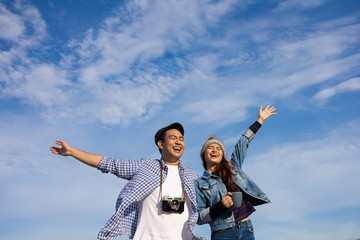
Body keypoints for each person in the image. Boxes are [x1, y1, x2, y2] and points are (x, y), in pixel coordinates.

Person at [50, 122, 204, 240]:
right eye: (173, 138)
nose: (178, 141)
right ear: (161, 144)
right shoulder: (146, 165)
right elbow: (110, 164)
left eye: (181, 139)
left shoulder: (191, 175)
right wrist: (72, 152)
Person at [194, 105, 277, 240]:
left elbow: (243, 143)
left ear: (222, 154)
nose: (215, 150)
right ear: (204, 154)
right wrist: (220, 207)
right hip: (222, 233)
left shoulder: (233, 168)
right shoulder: (199, 183)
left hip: (246, 227)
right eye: (210, 148)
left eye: (218, 148)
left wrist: (260, 121)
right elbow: (198, 218)